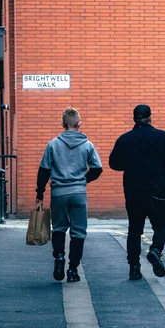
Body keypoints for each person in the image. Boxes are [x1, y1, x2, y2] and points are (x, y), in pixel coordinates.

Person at [109, 104, 165, 280]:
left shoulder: (125, 139)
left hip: (133, 192)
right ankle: (155, 250)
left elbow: (114, 164)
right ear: (150, 117)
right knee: (162, 226)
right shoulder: (161, 136)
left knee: (134, 230)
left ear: (134, 118)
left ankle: (134, 268)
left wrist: (129, 164)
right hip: (158, 191)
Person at [36, 107, 103, 283]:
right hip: (79, 192)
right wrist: (83, 180)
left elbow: (44, 170)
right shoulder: (88, 145)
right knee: (78, 232)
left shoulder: (53, 144)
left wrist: (40, 192)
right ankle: (73, 269)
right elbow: (97, 169)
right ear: (79, 124)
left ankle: (59, 257)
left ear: (63, 124)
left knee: (58, 228)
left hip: (58, 193)